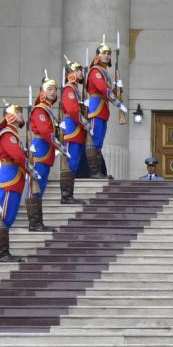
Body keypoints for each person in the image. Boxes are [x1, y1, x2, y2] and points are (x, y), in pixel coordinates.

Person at [0, 106, 28, 262]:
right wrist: (28, 163)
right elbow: (17, 156)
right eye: (17, 112)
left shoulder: (13, 133)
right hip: (9, 177)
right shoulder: (7, 134)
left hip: (15, 177)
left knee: (9, 216)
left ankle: (4, 252)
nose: (20, 115)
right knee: (4, 216)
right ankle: (2, 253)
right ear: (9, 116)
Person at [26, 76, 58, 232]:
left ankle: (38, 222)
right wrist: (59, 144)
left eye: (55, 89)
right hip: (40, 149)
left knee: (41, 186)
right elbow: (45, 131)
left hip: (46, 150)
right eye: (49, 89)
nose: (53, 92)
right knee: (36, 187)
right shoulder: (40, 109)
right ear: (42, 92)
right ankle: (34, 223)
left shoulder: (48, 109)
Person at [84, 40, 114, 178]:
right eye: (104, 53)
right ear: (97, 55)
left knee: (100, 141)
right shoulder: (95, 71)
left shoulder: (104, 72)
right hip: (96, 106)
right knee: (94, 140)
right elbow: (102, 88)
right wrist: (114, 96)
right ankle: (94, 171)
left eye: (109, 53)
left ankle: (98, 171)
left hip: (103, 108)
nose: (107, 56)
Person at [58, 60, 87, 204]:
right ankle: (66, 195)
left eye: (81, 70)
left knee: (74, 163)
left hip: (77, 130)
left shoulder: (74, 89)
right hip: (72, 129)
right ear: (71, 73)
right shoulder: (69, 89)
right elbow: (73, 110)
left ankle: (69, 194)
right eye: (78, 70)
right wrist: (85, 123)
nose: (81, 73)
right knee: (70, 163)